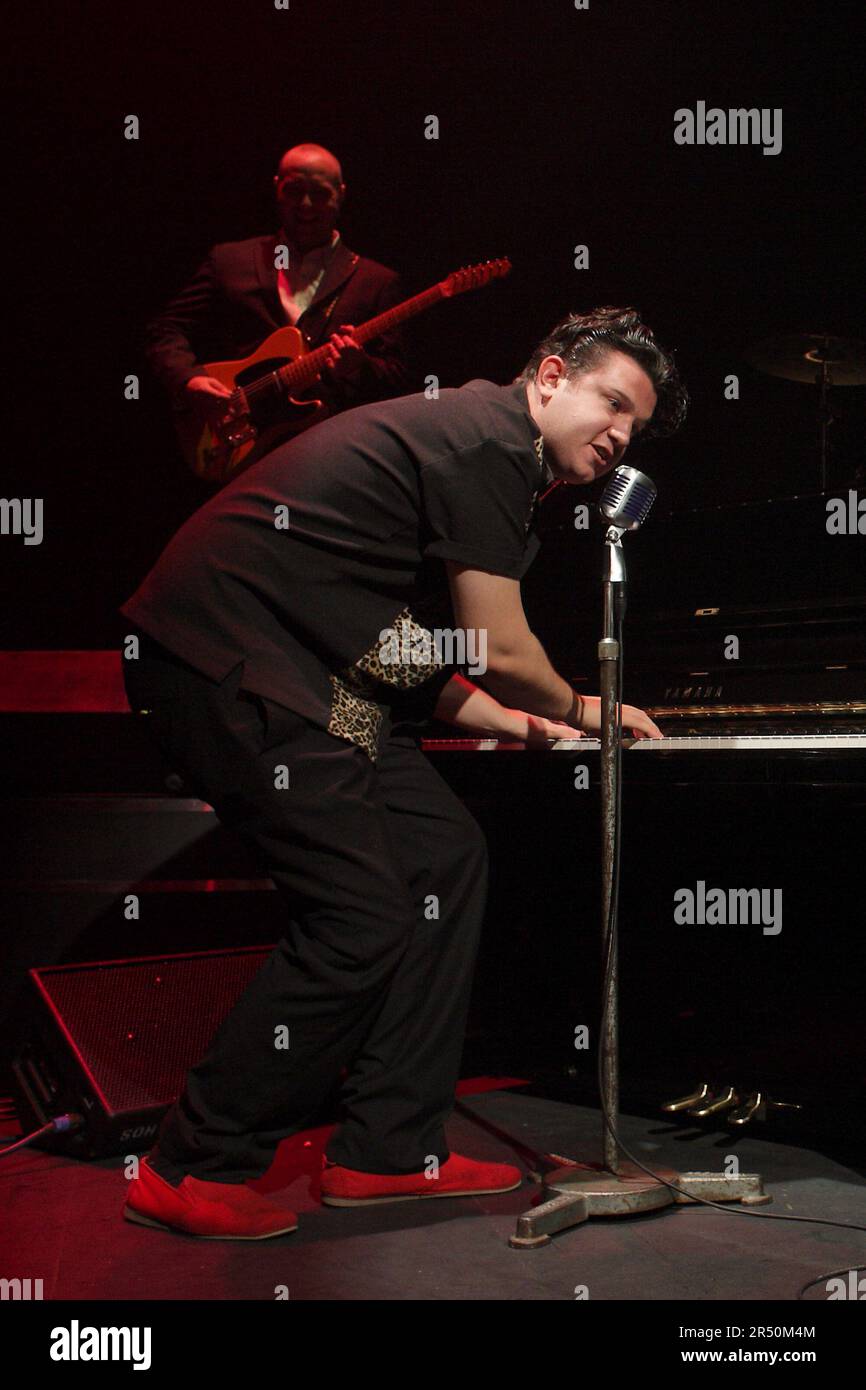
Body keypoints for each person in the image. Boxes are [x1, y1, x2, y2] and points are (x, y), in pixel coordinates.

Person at [118, 306, 688, 1240]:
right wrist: (580, 709)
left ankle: (389, 1151)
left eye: (638, 425)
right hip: (222, 658)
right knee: (360, 913)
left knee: (443, 856)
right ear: (549, 376)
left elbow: (391, 636)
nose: (623, 437)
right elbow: (500, 645)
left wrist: (508, 719)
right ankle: (190, 1163)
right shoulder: (488, 443)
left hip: (303, 663)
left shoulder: (475, 447)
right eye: (612, 404)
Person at [144, 142, 410, 455]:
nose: (306, 205)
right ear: (277, 189)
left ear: (341, 193)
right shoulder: (230, 260)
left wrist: (360, 367)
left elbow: (400, 376)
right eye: (294, 191)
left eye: (320, 193)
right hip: (234, 444)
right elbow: (165, 331)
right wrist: (189, 381)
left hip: (333, 451)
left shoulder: (376, 282)